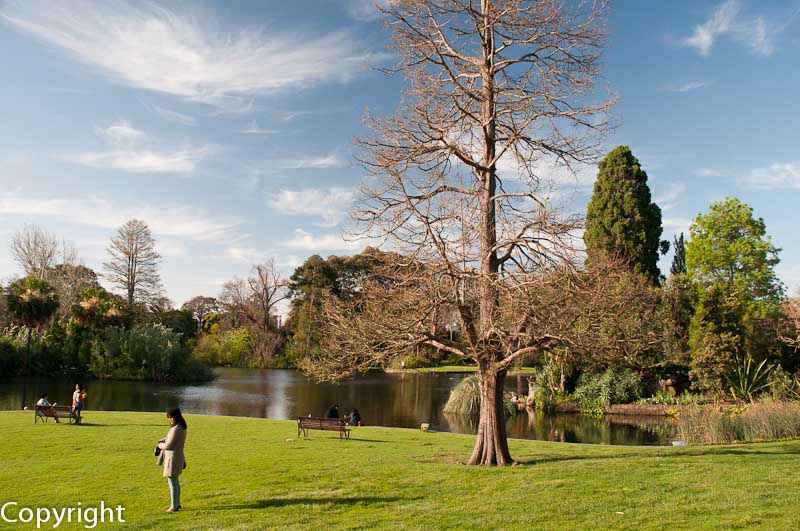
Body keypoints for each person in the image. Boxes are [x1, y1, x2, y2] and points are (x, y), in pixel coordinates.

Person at [158, 408, 188, 513]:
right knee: (175, 482)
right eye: (169, 418)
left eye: (171, 417)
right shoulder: (182, 427)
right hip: (178, 456)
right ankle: (176, 503)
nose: (170, 420)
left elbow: (168, 445)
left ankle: (173, 506)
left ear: (176, 417)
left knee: (172, 482)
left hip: (173, 458)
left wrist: (159, 445)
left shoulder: (176, 429)